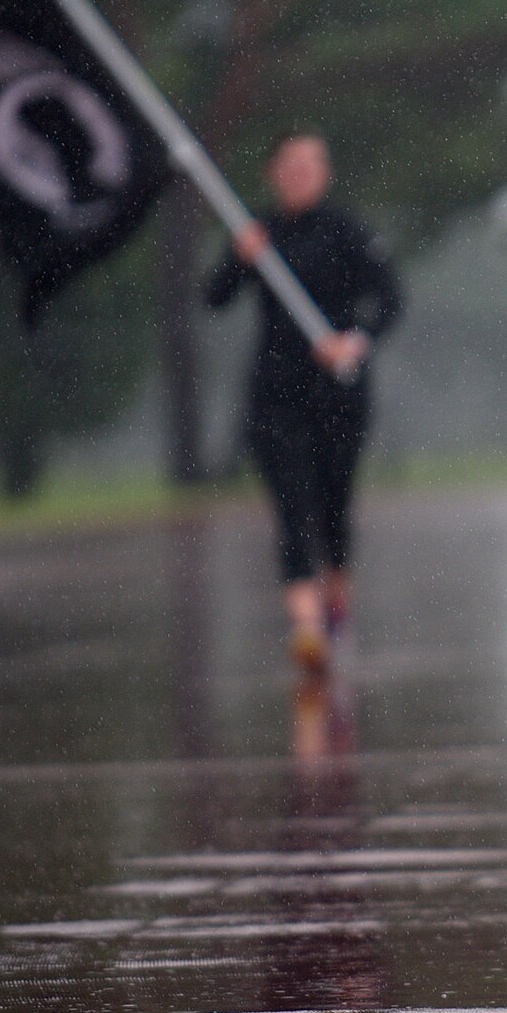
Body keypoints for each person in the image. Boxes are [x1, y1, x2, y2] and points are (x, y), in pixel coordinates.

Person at [207, 130, 403, 672]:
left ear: (326, 172)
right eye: (290, 163)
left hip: (337, 394)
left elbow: (390, 299)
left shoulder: (348, 232)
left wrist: (354, 341)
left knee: (333, 511)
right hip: (276, 396)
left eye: (312, 163)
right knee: (292, 511)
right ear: (273, 172)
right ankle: (308, 634)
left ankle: (336, 606)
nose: (301, 173)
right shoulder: (259, 236)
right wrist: (239, 258)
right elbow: (214, 296)